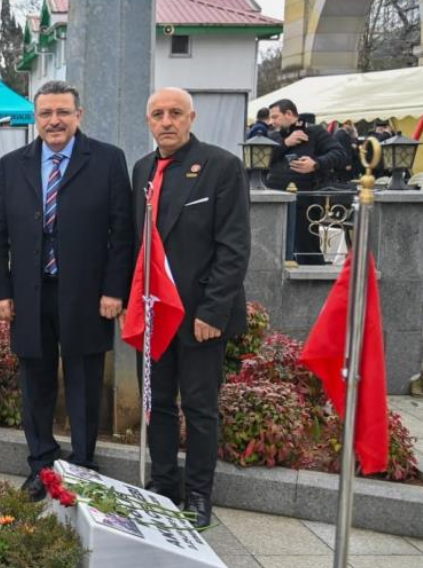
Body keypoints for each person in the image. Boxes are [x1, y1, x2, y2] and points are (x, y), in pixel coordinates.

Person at [0, 80, 133, 498]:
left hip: (88, 294)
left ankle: (84, 463)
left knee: (85, 381)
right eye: (46, 113)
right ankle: (41, 464)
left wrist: (114, 290)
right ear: (36, 118)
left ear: (78, 116)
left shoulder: (106, 160)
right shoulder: (14, 164)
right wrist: (1, 291)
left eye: (62, 112)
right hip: (30, 294)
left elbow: (122, 233)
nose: (54, 121)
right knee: (36, 382)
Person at [133, 87, 250, 528]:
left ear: (191, 117)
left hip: (199, 315)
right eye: (158, 113)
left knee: (199, 408)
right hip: (154, 313)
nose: (167, 121)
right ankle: (164, 485)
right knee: (157, 403)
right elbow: (138, 244)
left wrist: (212, 312)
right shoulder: (142, 169)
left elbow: (234, 247)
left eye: (175, 113)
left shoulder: (221, 167)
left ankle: (199, 494)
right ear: (149, 121)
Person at [265, 99, 345, 266]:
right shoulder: (273, 136)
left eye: (275, 117)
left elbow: (339, 154)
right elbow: (263, 158)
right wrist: (285, 143)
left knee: (306, 247)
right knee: (274, 248)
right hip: (276, 200)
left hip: (305, 201)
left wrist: (316, 164)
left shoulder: (315, 132)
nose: (271, 122)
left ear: (289, 114)